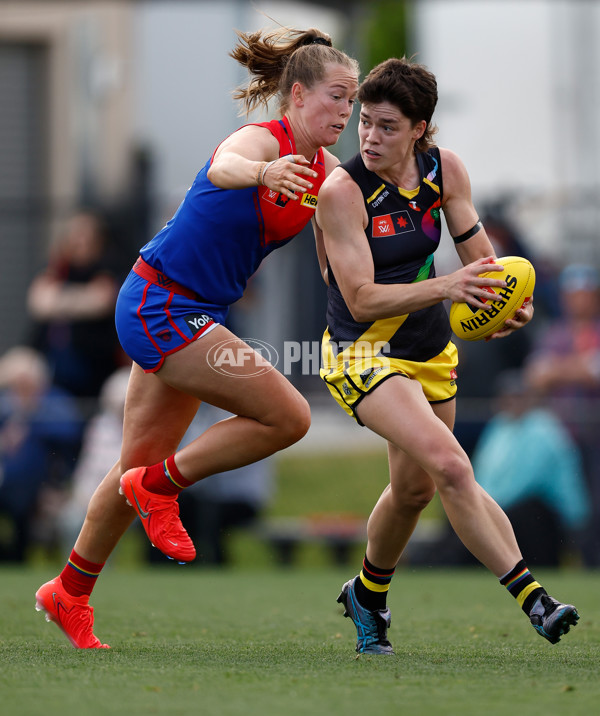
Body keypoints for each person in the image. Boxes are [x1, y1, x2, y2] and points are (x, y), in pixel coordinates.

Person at [34, 26, 359, 649]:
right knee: (289, 416)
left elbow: (337, 259)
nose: (346, 112)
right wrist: (264, 171)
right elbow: (225, 166)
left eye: (352, 101)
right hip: (160, 302)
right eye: (336, 97)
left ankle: (69, 591)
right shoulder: (262, 140)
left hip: (194, 312)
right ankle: (162, 488)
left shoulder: (330, 171)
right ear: (296, 96)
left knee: (133, 466)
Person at [314, 58, 579, 655]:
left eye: (386, 127)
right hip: (363, 352)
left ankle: (367, 594)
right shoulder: (341, 192)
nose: (370, 138)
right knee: (453, 466)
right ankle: (534, 598)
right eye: (365, 124)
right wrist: (447, 287)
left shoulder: (444, 169)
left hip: (429, 349)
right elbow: (358, 299)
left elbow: (485, 265)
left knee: (414, 490)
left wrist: (510, 302)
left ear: (419, 129)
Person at [525, 263, 600, 566]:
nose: (579, 299)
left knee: (595, 503)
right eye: (573, 294)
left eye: (585, 294)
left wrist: (559, 369)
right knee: (561, 504)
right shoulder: (554, 333)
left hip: (594, 436)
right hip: (560, 436)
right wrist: (580, 368)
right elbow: (536, 376)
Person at [27, 210, 122, 400]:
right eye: (75, 235)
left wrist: (60, 300)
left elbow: (101, 301)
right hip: (49, 360)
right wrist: (82, 299)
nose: (80, 241)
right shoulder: (56, 268)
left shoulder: (109, 266)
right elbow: (40, 303)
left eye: (86, 235)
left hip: (97, 362)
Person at [0, 347, 82, 561]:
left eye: (27, 382)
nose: (22, 389)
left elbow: (68, 434)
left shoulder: (55, 402)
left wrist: (29, 421)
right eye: (17, 383)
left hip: (42, 485)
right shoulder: (4, 403)